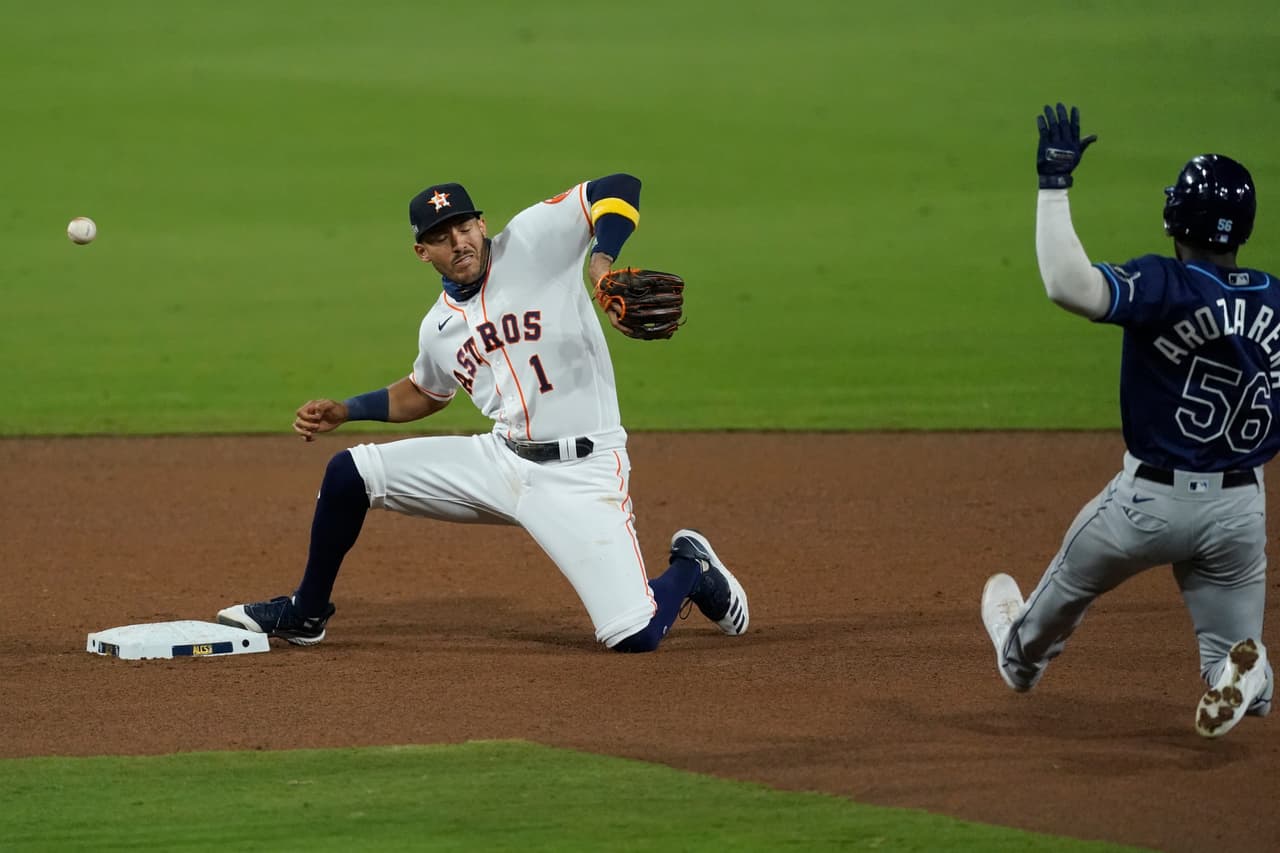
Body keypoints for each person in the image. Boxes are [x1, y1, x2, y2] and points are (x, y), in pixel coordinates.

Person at [217, 175, 748, 652]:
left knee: (633, 635)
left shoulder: (536, 240)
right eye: (442, 237)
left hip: (583, 472)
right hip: (499, 461)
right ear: (422, 251)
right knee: (350, 474)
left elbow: (620, 187)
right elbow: (425, 393)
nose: (459, 242)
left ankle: (692, 568)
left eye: (465, 227)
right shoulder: (439, 327)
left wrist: (600, 261)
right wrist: (347, 409)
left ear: (482, 224)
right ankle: (306, 614)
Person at [981, 103, 1274, 738]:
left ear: (1176, 217)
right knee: (1232, 658)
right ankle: (1247, 670)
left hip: (1146, 507)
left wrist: (1054, 186)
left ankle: (1022, 659)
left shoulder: (1163, 283)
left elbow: (1068, 285)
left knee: (1061, 594)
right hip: (1239, 512)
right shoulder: (1274, 299)